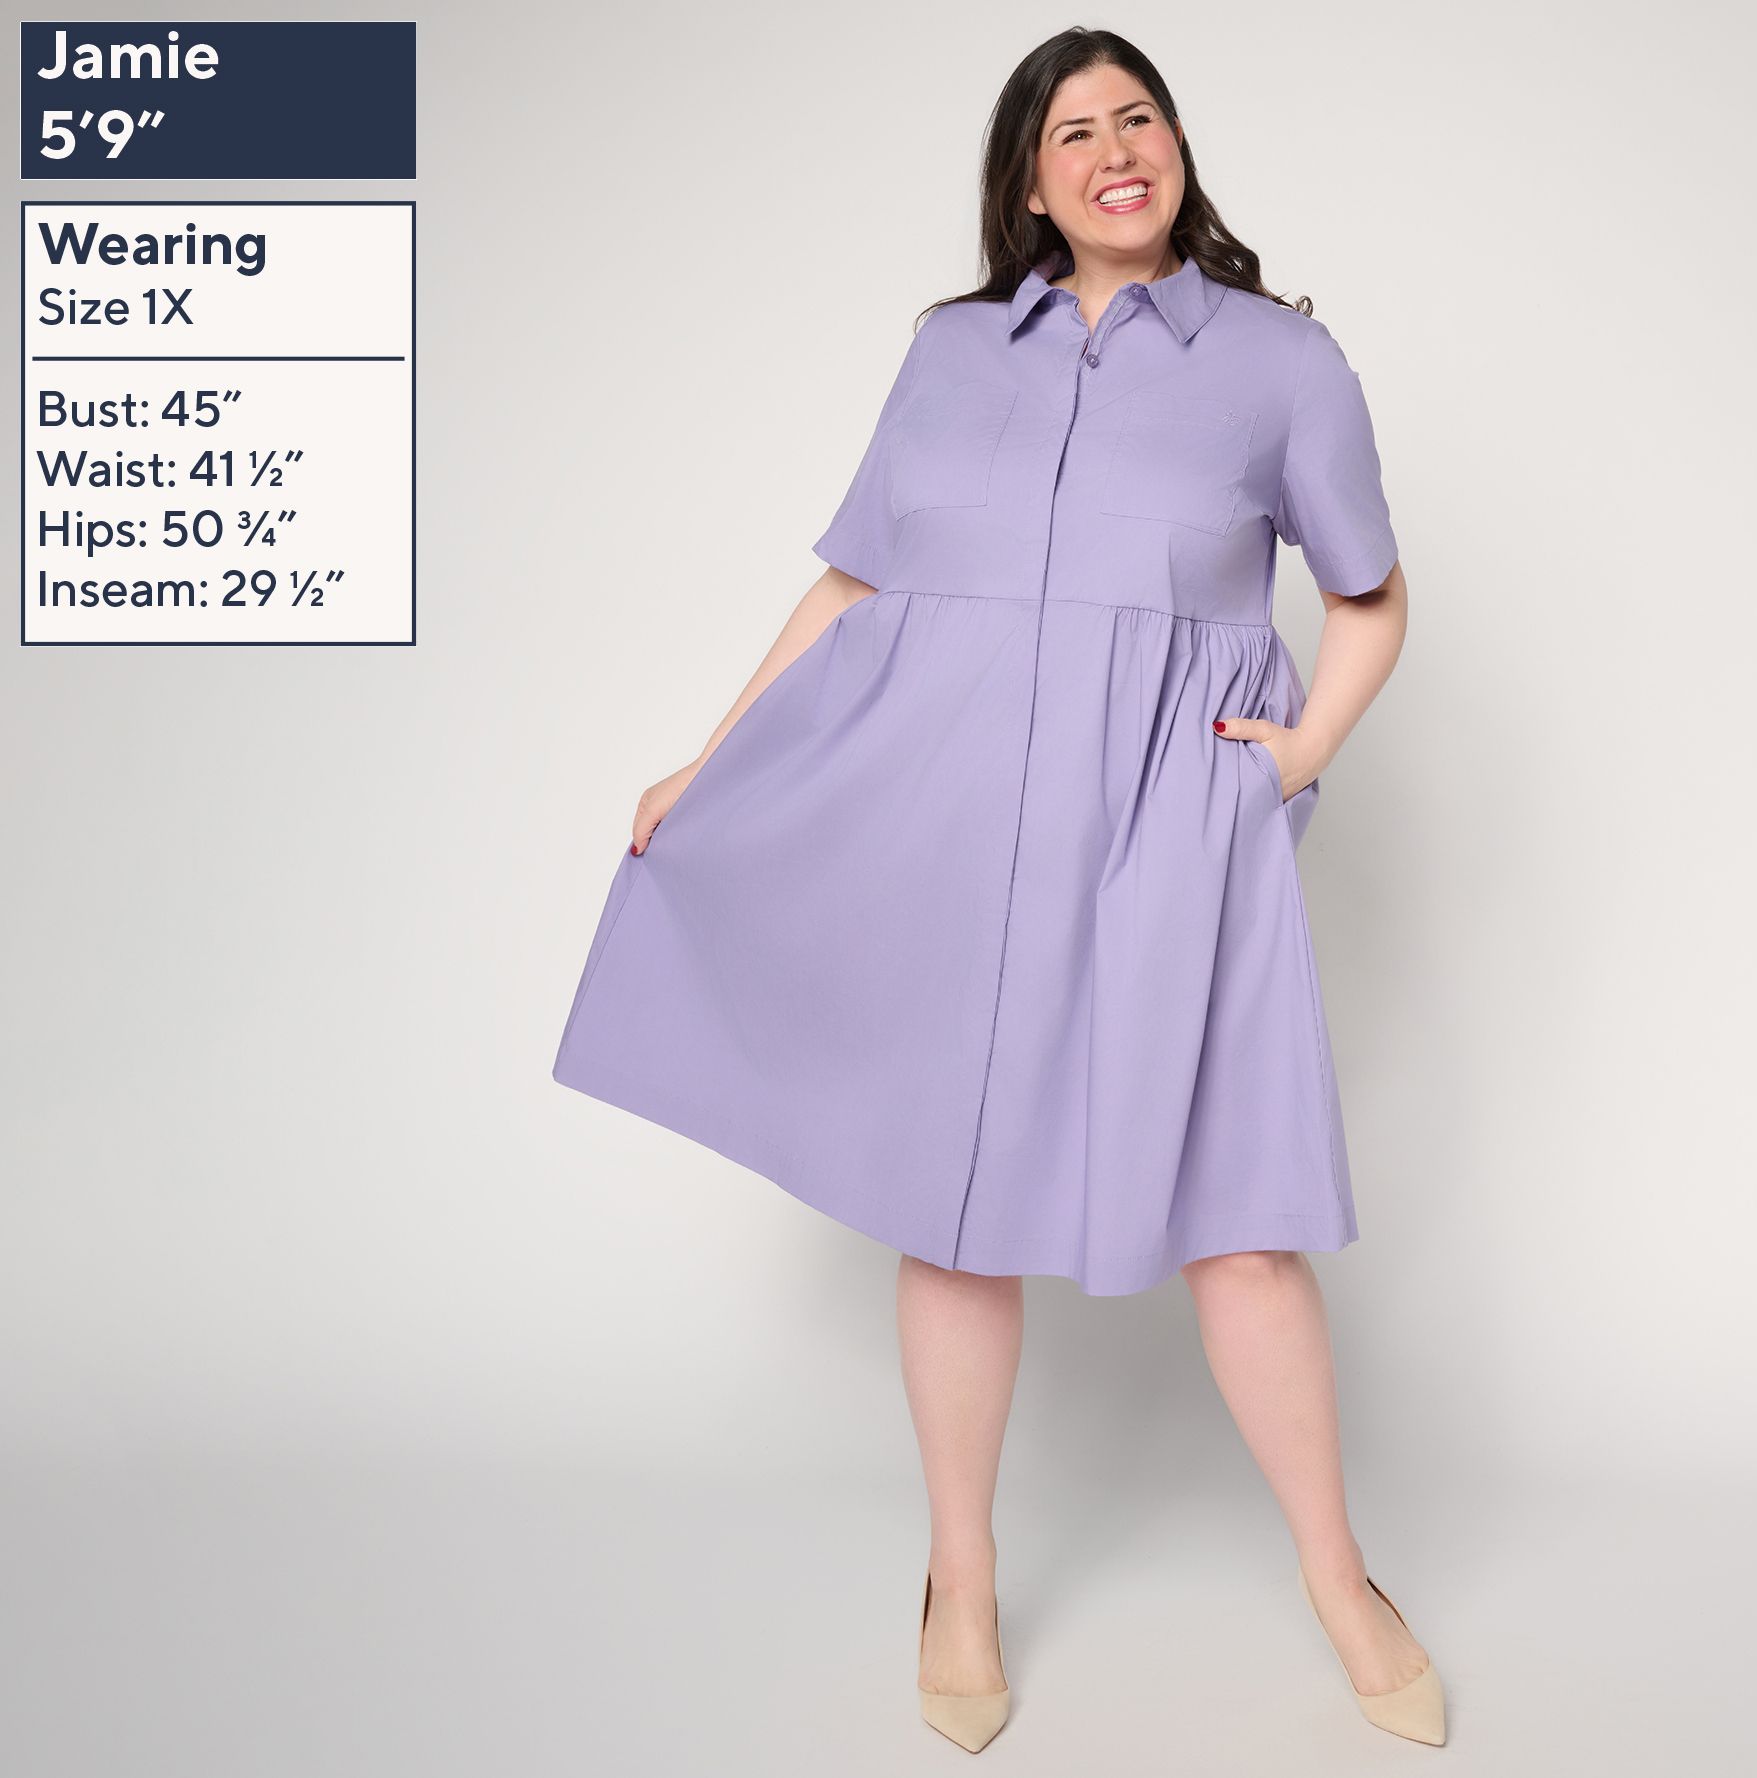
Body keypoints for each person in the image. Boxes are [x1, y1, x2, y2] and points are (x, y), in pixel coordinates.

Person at [552, 25, 1444, 1753]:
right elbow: (852, 588)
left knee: (1241, 1222)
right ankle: (959, 1581)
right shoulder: (951, 353)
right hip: (951, 824)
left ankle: (1343, 1581)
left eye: (1139, 116)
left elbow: (1370, 594)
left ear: (1177, 147)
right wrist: (709, 762)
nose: (1116, 150)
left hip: (1171, 828)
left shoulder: (1282, 363)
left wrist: (1290, 758)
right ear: (1029, 182)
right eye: (1074, 131)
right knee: (951, 1210)